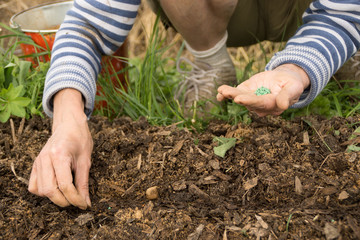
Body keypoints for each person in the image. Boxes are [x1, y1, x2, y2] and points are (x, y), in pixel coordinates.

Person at [28, 0, 360, 209]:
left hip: (302, 10)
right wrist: (67, 117)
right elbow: (86, 24)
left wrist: (296, 69)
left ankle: (335, 53)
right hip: (217, 11)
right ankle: (208, 59)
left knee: (341, 31)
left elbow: (343, 11)